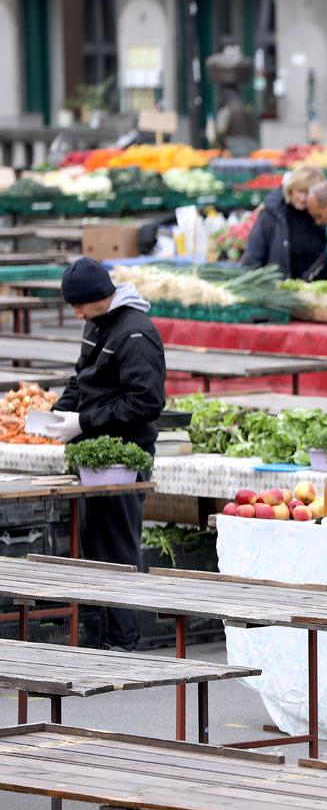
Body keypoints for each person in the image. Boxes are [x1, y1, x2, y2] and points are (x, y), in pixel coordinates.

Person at [48, 259, 167, 651]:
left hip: (124, 456)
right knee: (96, 544)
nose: (76, 314)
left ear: (101, 297)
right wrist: (57, 416)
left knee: (118, 545)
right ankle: (105, 636)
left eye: (79, 306)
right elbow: (81, 377)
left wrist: (84, 421)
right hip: (93, 453)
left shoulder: (135, 333)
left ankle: (125, 641)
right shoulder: (96, 323)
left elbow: (146, 402)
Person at [240, 166, 327, 278]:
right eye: (300, 191)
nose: (302, 198)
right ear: (291, 189)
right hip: (278, 289)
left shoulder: (323, 216)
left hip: (316, 288)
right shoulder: (272, 214)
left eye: (308, 193)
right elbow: (253, 255)